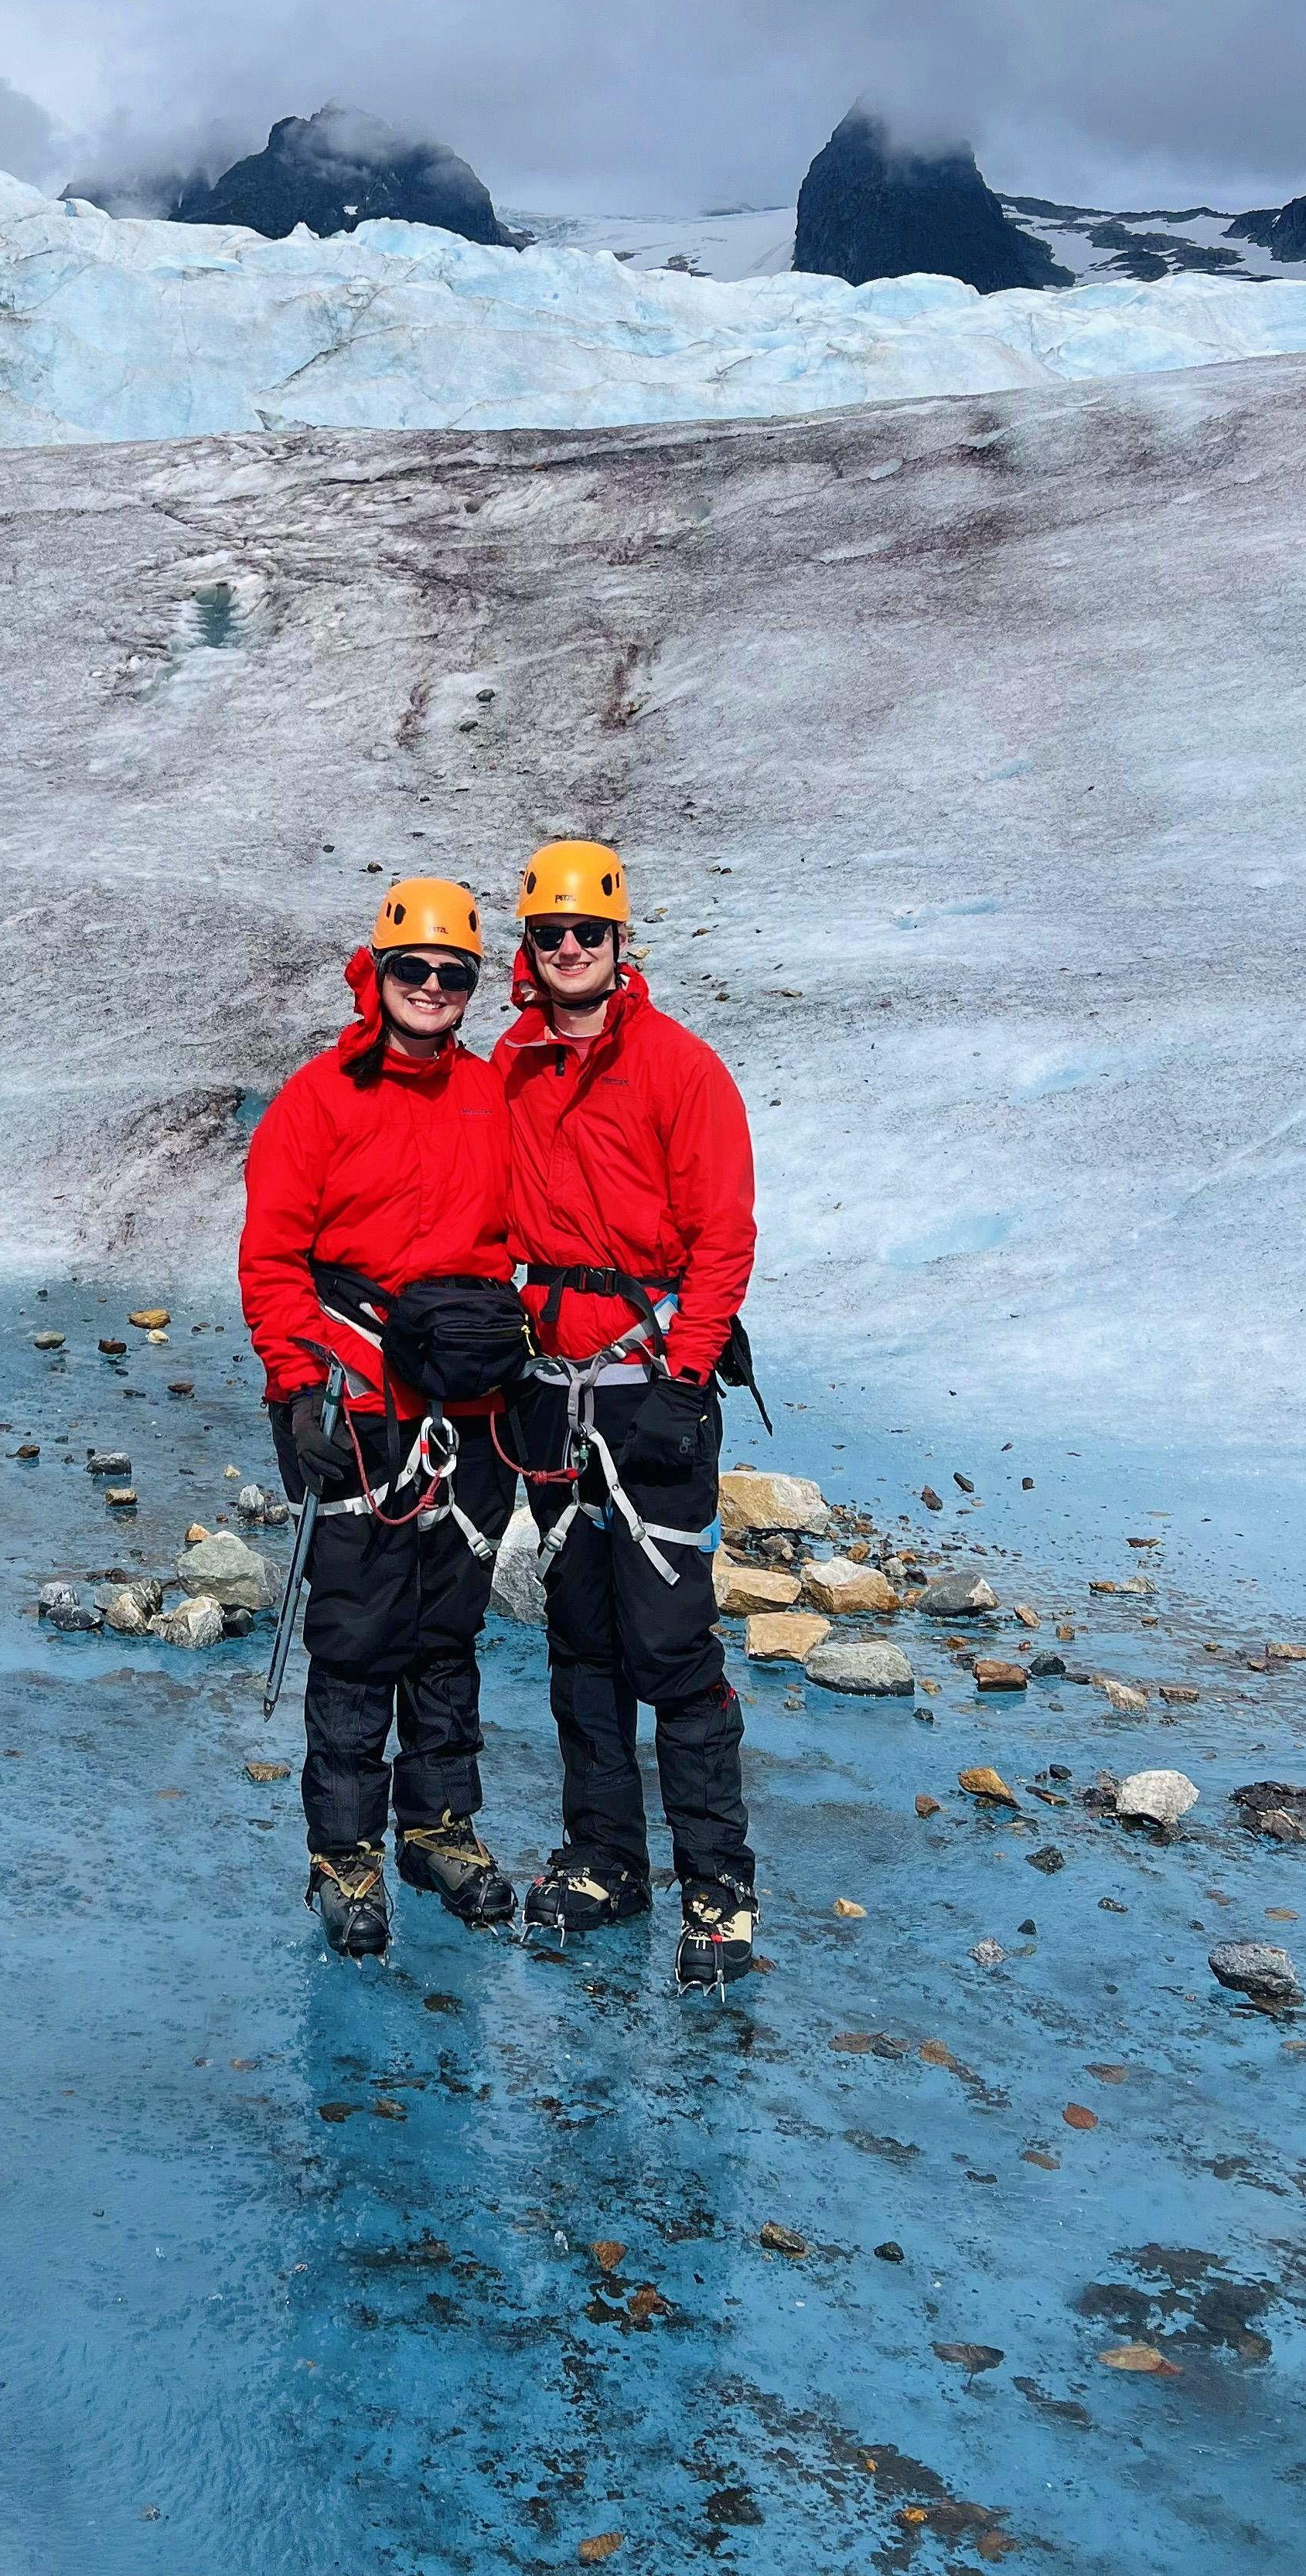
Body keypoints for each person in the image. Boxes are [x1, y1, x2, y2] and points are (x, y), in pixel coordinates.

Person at [493, 837, 763, 1988]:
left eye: (587, 935)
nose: (569, 951)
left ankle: (718, 1886)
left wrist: (689, 1379)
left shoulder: (678, 1068)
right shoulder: (508, 1066)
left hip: (653, 1386)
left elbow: (723, 1238)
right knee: (581, 1641)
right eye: (551, 936)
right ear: (529, 949)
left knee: (670, 1645)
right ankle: (607, 1862)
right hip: (552, 1394)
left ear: (618, 944)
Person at [237, 877, 525, 1960]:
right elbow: (271, 1258)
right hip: (350, 1399)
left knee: (447, 1631)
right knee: (357, 1635)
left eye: (455, 975)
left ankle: (439, 1828)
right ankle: (345, 1853)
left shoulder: (491, 1094)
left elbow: (526, 1240)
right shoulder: (318, 1100)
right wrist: (294, 1380)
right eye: (416, 970)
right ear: (380, 972)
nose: (435, 988)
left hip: (468, 1402)